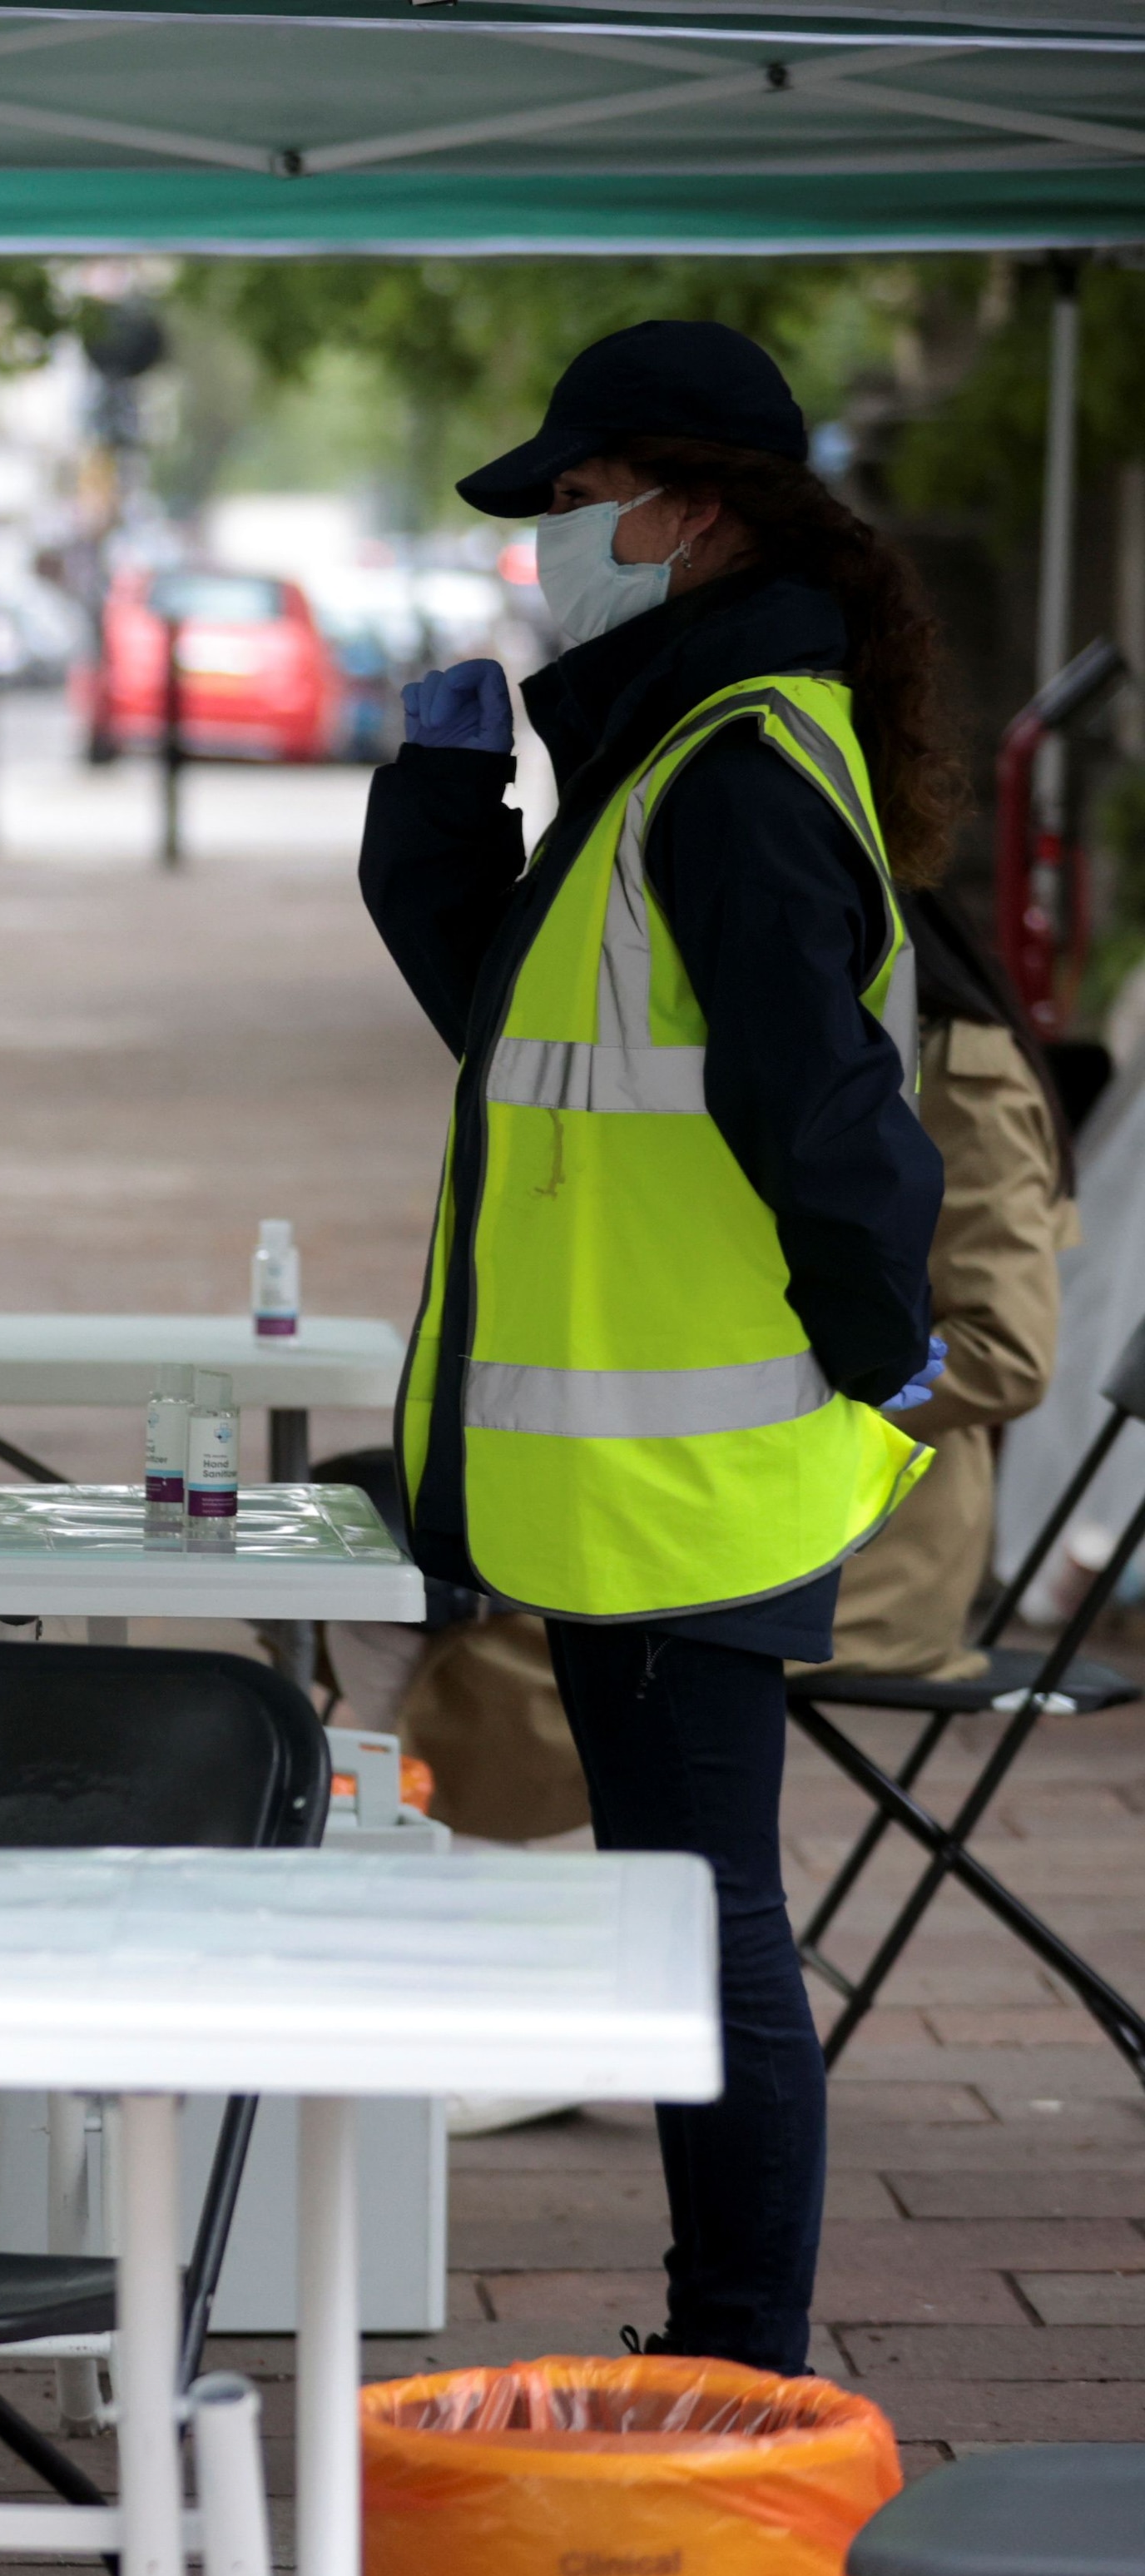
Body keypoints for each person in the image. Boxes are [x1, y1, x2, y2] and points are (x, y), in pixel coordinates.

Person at [363, 320, 952, 2375]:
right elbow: (522, 1037)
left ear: (690, 506)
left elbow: (826, 1106)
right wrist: (437, 807)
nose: (550, 545)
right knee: (671, 1922)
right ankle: (720, 2344)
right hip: (637, 1467)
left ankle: (739, 2366)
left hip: (702, 1465)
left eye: (576, 502)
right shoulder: (662, 752)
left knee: (707, 1936)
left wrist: (892, 1344)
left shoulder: (731, 767)